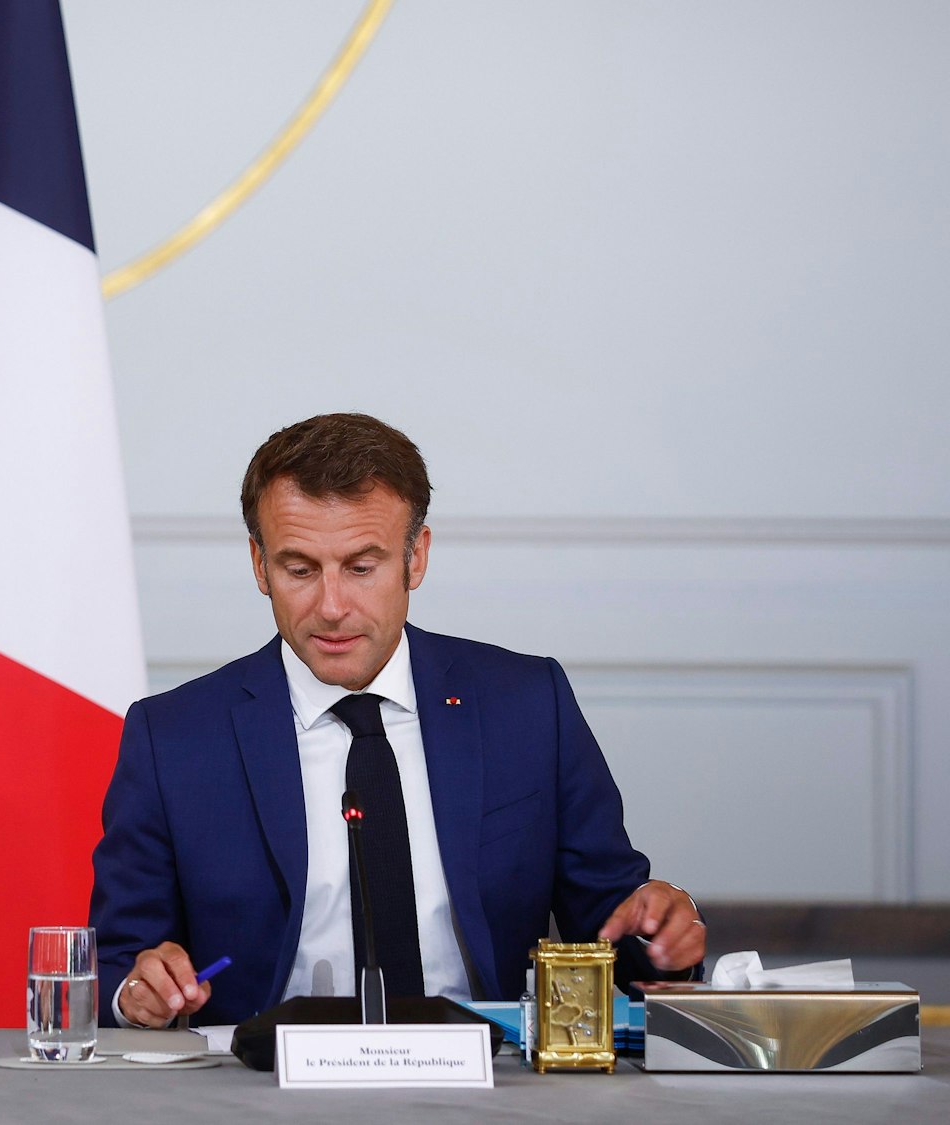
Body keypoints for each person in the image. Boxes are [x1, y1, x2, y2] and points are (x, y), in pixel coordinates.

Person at [90, 414, 704, 1028]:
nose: (331, 608)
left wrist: (660, 937)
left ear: (417, 558)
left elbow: (612, 929)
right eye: (300, 569)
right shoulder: (172, 738)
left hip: (492, 1086)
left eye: (361, 568)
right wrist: (137, 991)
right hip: (261, 1092)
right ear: (259, 564)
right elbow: (119, 963)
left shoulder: (526, 705)